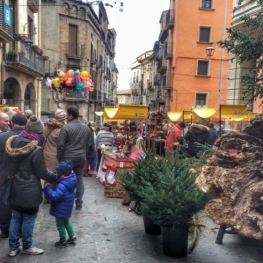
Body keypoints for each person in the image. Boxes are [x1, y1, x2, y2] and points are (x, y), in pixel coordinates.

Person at [3, 115, 57, 257]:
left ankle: (13, 248)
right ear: (37, 133)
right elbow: (42, 172)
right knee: (29, 218)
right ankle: (28, 246)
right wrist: (55, 177)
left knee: (16, 217)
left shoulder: (11, 145)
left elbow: (8, 166)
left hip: (14, 186)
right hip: (30, 190)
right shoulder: (36, 150)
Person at [57, 107, 91, 210]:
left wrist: (59, 158)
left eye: (67, 115)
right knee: (79, 179)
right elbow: (88, 144)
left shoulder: (66, 128)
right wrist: (83, 153)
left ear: (71, 115)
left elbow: (61, 145)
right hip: (80, 157)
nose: (66, 117)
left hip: (67, 157)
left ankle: (62, 200)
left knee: (62, 178)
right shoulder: (86, 128)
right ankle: (79, 202)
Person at [0, 114, 27, 238]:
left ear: (12, 122)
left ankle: (5, 228)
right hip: (24, 174)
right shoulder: (29, 137)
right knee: (21, 199)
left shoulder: (2, 137)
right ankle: (21, 228)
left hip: (4, 171)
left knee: (5, 199)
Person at [44, 159, 77, 248]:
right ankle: (72, 236)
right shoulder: (71, 179)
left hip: (61, 209)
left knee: (60, 225)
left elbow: (55, 196)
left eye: (57, 172)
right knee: (66, 222)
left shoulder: (62, 185)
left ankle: (63, 241)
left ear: (62, 174)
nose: (56, 173)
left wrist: (47, 189)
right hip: (67, 208)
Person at [43, 109, 67, 203]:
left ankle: (46, 196)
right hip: (55, 154)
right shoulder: (61, 130)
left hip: (46, 153)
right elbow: (62, 144)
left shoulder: (48, 126)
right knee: (54, 176)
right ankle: (51, 196)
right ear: (63, 118)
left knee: (47, 175)